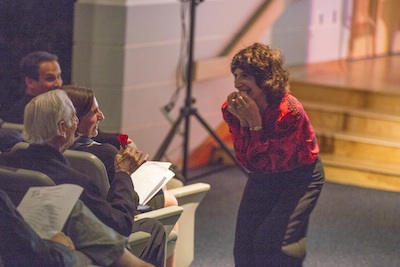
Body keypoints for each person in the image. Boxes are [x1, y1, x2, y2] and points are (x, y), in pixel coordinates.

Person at [0, 89, 166, 266]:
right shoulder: (76, 182)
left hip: (19, 245)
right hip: (67, 251)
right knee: (154, 228)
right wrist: (123, 174)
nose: (77, 122)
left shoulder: (5, 162)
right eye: (73, 117)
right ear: (62, 128)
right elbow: (120, 226)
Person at [222, 43, 325, 267]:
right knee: (244, 247)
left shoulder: (289, 111)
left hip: (300, 176)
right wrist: (244, 123)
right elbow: (248, 162)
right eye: (236, 75)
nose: (239, 83)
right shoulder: (233, 108)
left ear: (264, 78)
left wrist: (255, 125)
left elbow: (270, 163)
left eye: (246, 76)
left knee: (274, 245)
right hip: (264, 174)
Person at [62, 85, 179, 267]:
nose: (102, 116)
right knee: (169, 200)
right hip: (114, 220)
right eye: (94, 112)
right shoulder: (103, 154)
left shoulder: (48, 153)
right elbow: (119, 216)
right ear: (74, 119)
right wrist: (125, 174)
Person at [0, 188, 155, 267]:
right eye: (74, 122)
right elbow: (120, 224)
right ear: (62, 128)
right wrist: (58, 247)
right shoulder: (83, 178)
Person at [1, 51, 62, 124]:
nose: (58, 83)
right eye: (50, 78)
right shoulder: (17, 116)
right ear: (30, 82)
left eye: (59, 76)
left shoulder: (62, 108)